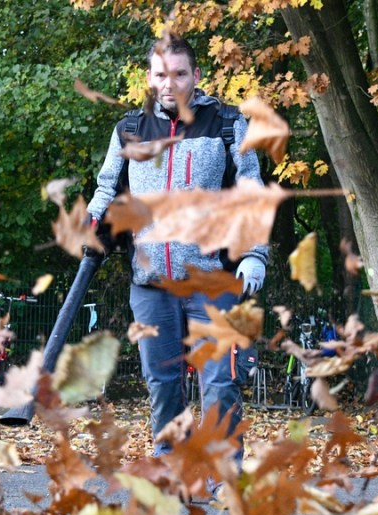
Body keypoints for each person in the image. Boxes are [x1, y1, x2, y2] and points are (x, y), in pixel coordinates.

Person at [86, 36, 268, 468]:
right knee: (162, 382)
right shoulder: (129, 129)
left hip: (214, 280)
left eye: (180, 74)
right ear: (150, 78)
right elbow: (107, 188)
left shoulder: (226, 123)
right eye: (162, 74)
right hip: (151, 285)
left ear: (196, 76)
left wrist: (255, 254)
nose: (171, 84)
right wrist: (92, 225)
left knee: (221, 382)